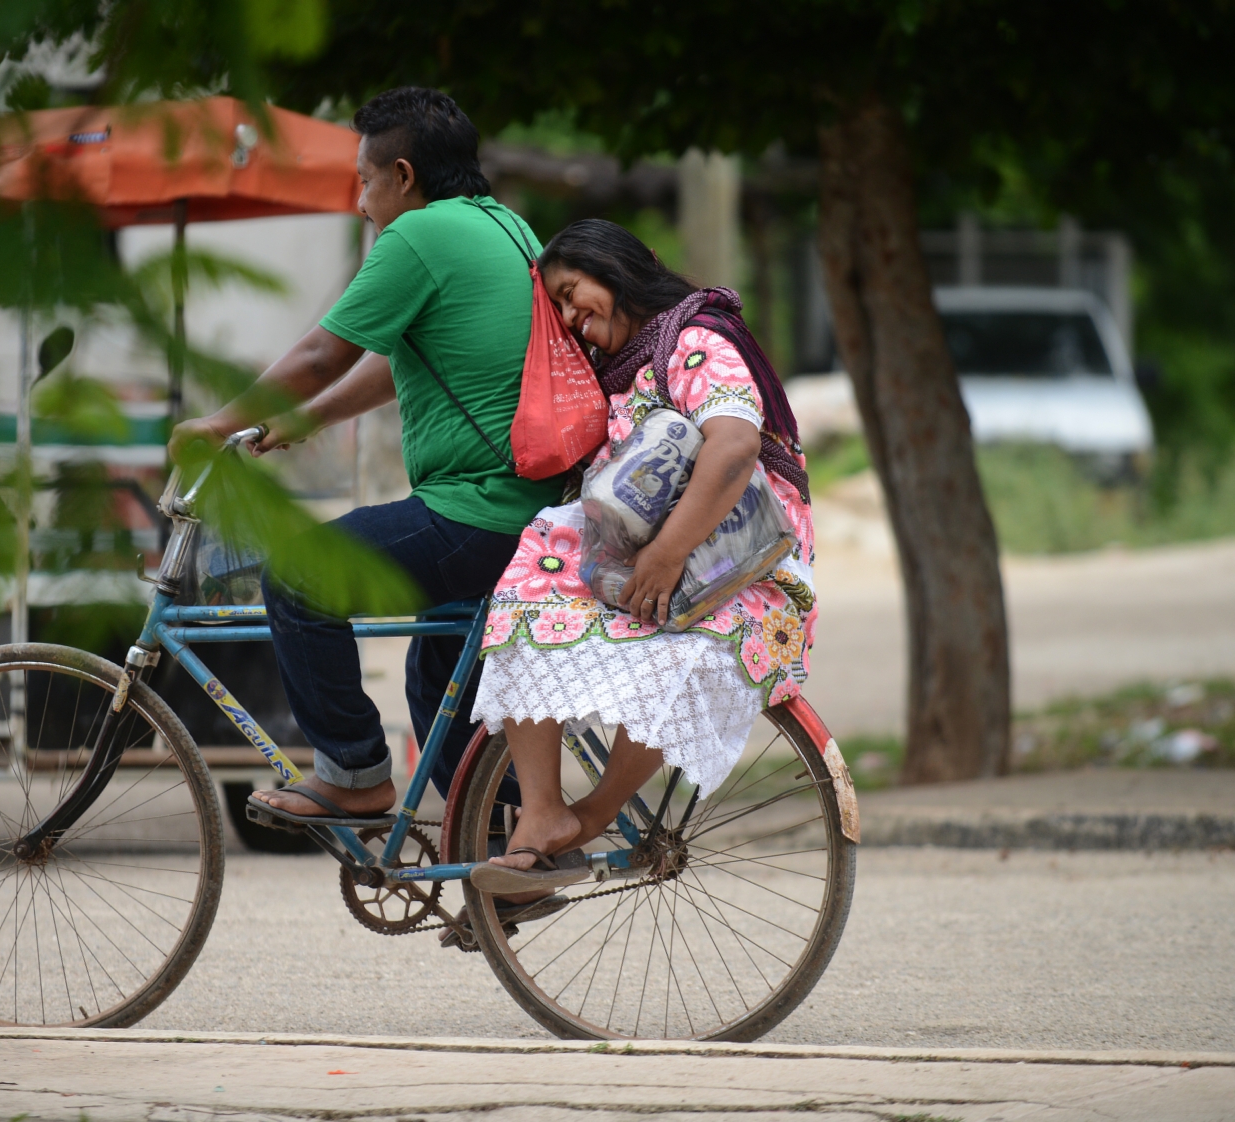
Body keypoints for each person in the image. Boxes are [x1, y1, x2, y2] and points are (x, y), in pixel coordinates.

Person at [168, 87, 563, 821]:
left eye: (364, 181)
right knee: (435, 685)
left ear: (404, 176)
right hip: (532, 514)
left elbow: (323, 351)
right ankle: (507, 850)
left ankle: (353, 775)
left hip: (477, 511)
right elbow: (400, 360)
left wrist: (219, 422)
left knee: (297, 576)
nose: (360, 203)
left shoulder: (419, 237)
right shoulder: (506, 227)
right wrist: (304, 418)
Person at [467, 219, 817, 893]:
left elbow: (735, 447)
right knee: (527, 590)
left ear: (615, 269)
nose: (572, 317)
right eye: (561, 308)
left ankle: (591, 815)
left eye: (574, 293)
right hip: (666, 559)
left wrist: (664, 555)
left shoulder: (694, 340)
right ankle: (540, 813)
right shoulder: (628, 370)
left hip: (742, 569)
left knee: (677, 661)